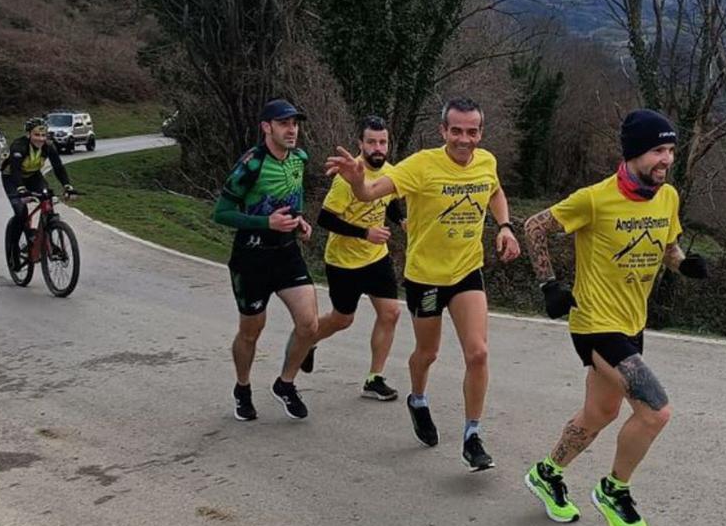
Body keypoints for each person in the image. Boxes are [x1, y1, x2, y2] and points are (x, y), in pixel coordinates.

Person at [520, 109, 709, 526]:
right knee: (656, 410)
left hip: (631, 323)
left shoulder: (668, 197)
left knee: (600, 413)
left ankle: (546, 474)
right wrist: (550, 284)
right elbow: (534, 227)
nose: (667, 159)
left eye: (670, 151)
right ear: (634, 153)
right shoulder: (595, 198)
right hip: (594, 323)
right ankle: (614, 489)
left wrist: (684, 265)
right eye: (658, 150)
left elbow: (668, 245)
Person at [327, 97, 520, 470]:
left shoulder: (486, 161)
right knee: (427, 353)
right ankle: (417, 399)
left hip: (467, 271)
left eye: (472, 131)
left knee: (478, 353)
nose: (465, 139)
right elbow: (370, 193)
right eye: (457, 131)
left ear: (480, 132)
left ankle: (472, 435)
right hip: (426, 277)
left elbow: (494, 190)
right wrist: (356, 180)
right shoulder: (420, 166)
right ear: (443, 131)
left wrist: (506, 227)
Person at [213, 99, 317, 422]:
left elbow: (292, 200)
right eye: (284, 123)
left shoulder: (299, 159)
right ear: (266, 127)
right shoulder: (252, 164)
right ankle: (242, 389)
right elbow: (222, 213)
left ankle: (285, 383)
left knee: (309, 324)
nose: (292, 130)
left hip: (286, 253)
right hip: (251, 258)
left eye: (295, 124)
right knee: (251, 331)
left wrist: (299, 222)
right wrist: (265, 223)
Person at [301, 115, 404, 402]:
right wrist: (364, 233)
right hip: (343, 261)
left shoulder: (391, 172)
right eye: (371, 142)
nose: (378, 148)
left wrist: (403, 221)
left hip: (376, 258)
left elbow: (390, 201)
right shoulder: (348, 178)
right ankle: (307, 340)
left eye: (382, 142)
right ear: (360, 144)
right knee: (342, 319)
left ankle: (374, 379)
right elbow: (324, 219)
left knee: (391, 312)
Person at [1, 117, 75, 250]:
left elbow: (58, 167)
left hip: (33, 175)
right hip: (12, 178)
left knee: (48, 200)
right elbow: (15, 170)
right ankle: (13, 246)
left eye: (43, 135)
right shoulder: (19, 146)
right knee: (21, 212)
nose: (41, 139)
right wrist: (21, 189)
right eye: (36, 135)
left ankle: (48, 238)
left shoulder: (48, 147)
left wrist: (67, 186)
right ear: (28, 134)